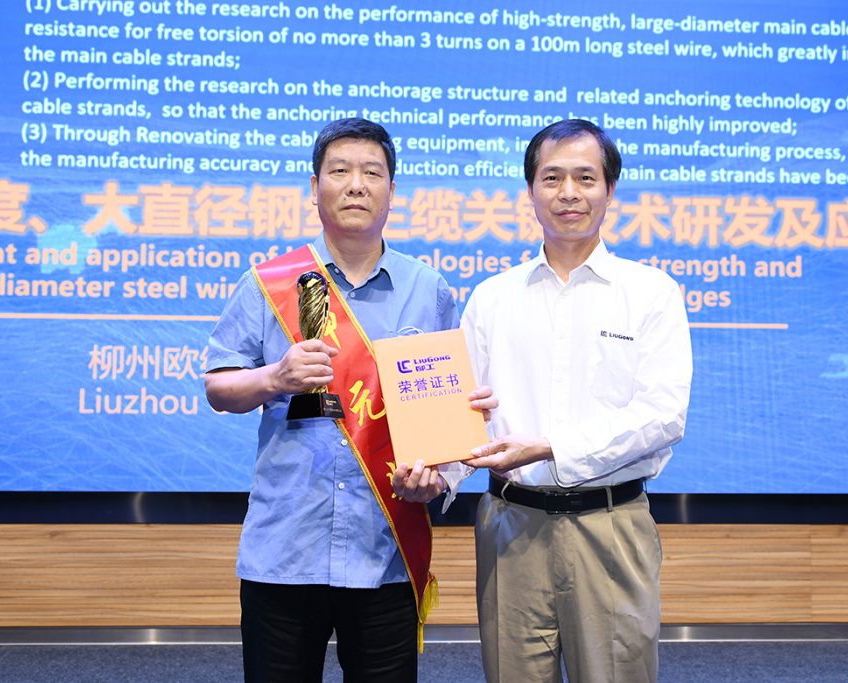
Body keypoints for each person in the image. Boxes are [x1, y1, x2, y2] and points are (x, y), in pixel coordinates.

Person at [205, 117, 493, 682]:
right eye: (339, 171)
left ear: (392, 190)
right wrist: (275, 378)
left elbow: (451, 413)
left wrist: (438, 477)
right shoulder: (270, 282)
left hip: (384, 549)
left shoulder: (427, 289)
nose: (356, 184)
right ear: (315, 188)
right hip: (285, 548)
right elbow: (219, 387)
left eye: (371, 173)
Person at [458, 119, 693, 682]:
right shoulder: (492, 298)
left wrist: (549, 446)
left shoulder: (651, 293)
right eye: (552, 178)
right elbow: (463, 412)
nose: (569, 193)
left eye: (586, 178)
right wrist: (433, 473)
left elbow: (663, 417)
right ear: (531, 190)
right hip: (510, 525)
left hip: (610, 525)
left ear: (610, 190)